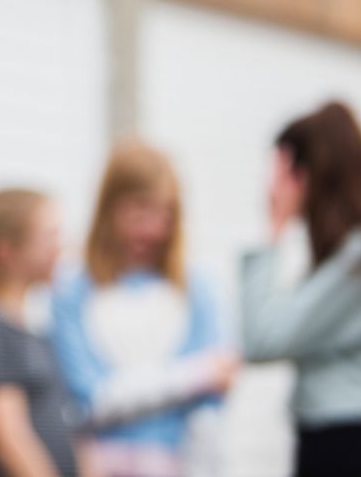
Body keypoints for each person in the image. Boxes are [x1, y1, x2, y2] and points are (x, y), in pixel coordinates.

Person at [241, 101, 361, 477]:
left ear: (312, 174)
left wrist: (273, 229)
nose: (276, 186)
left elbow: (262, 337)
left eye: (287, 173)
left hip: (351, 449)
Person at [51, 141, 236, 477]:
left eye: (165, 213)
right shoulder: (72, 289)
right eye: (139, 209)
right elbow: (88, 402)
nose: (152, 228)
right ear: (109, 207)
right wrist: (193, 375)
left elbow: (211, 405)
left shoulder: (199, 286)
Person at [0, 189, 86, 477]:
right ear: (4, 248)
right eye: (49, 236)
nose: (60, 248)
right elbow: (8, 440)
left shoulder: (36, 329)